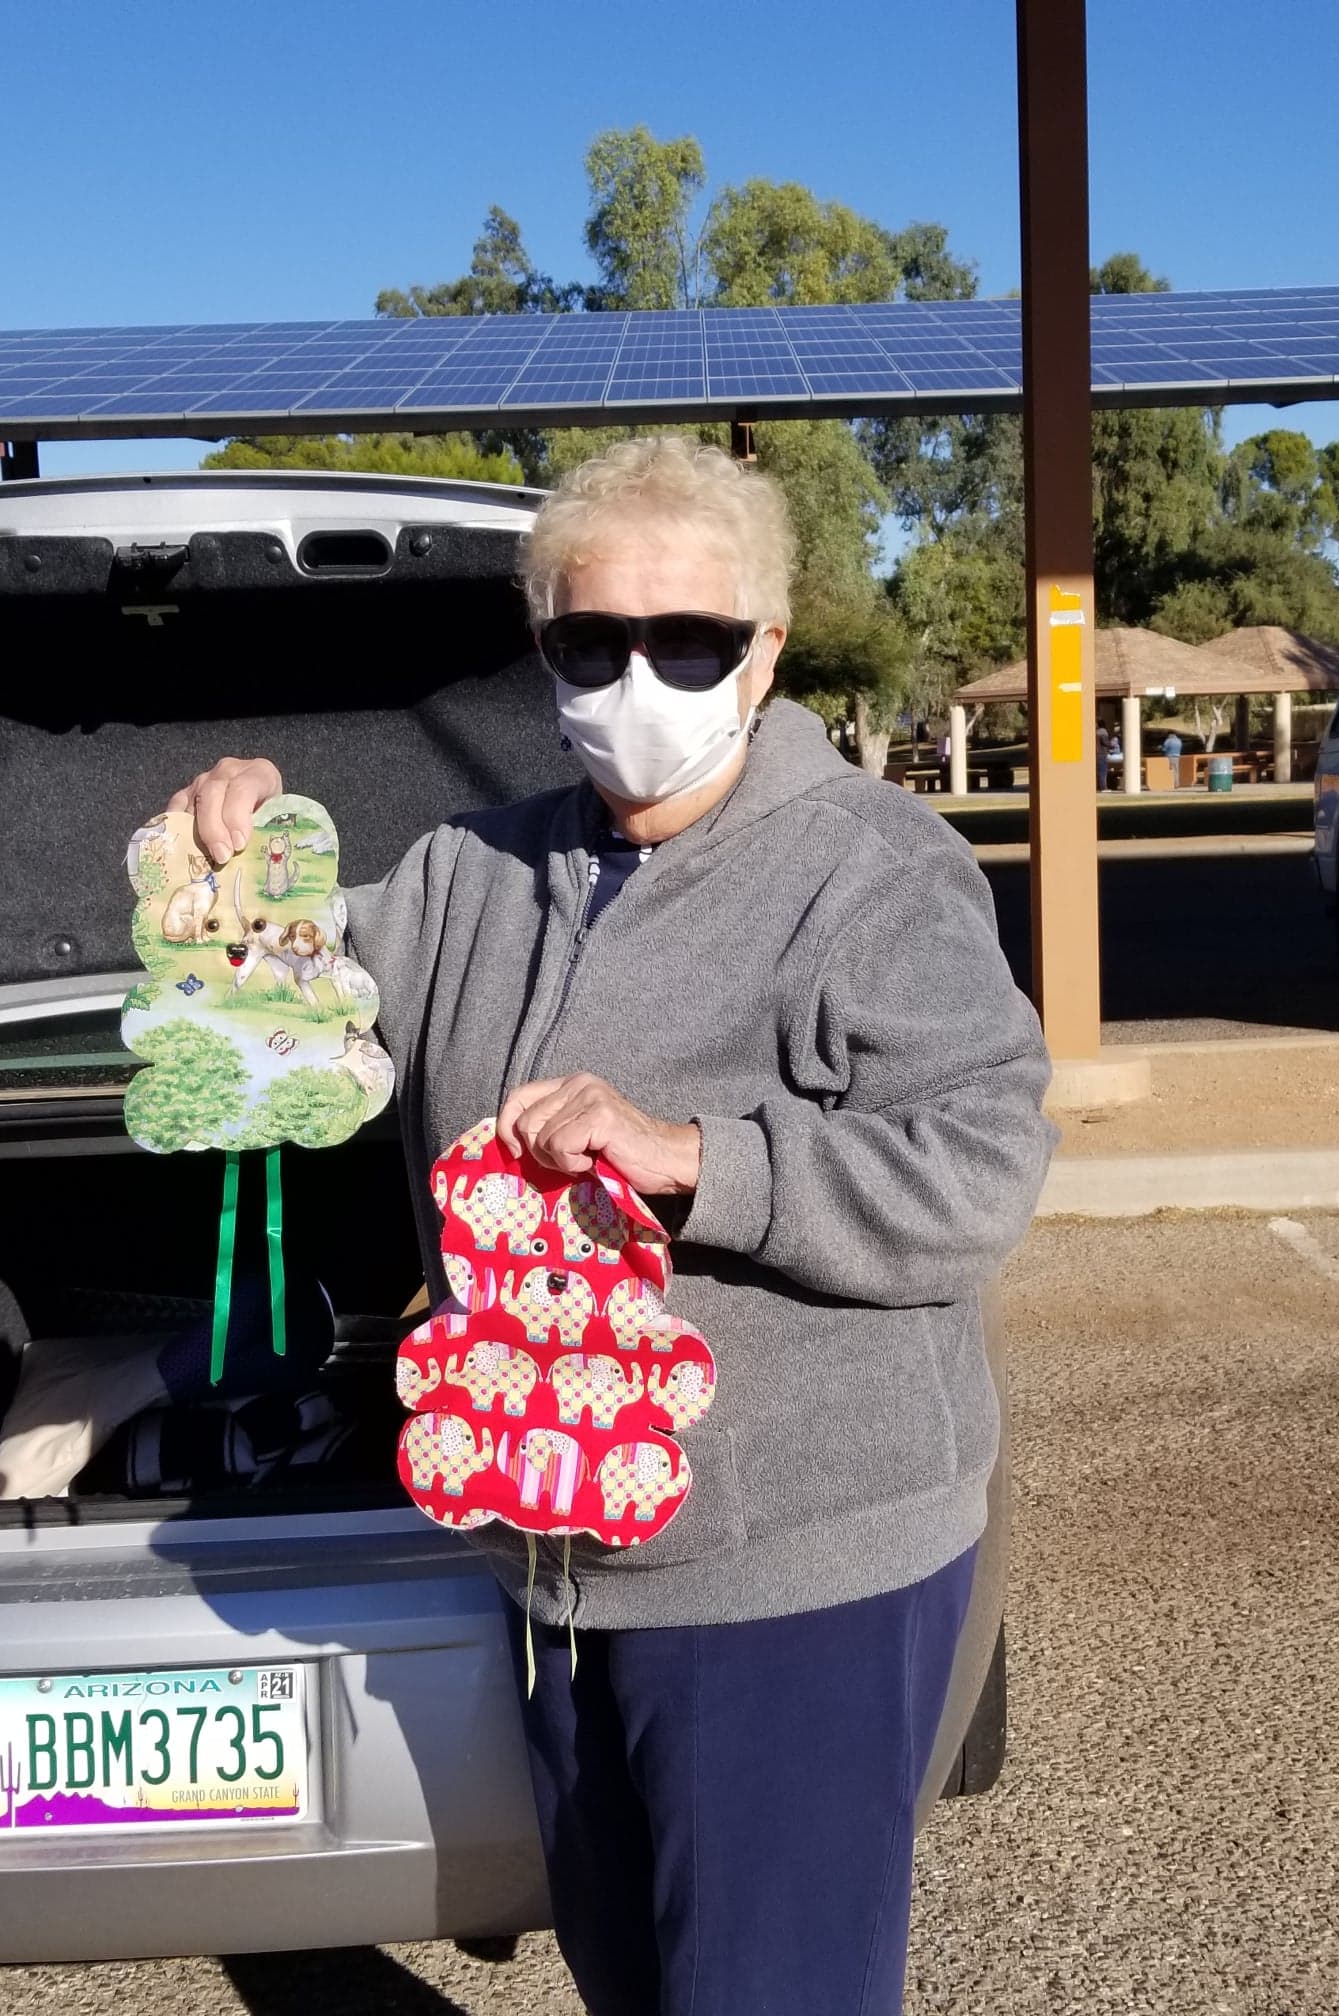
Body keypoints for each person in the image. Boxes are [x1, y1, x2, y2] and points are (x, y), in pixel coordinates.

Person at [168, 436, 1056, 2016]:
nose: (638, 679)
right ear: (544, 649)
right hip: (553, 1561)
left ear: (765, 650)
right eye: (592, 641)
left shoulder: (874, 872)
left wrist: (698, 1158)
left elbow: (980, 1166)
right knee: (631, 1982)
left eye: (688, 640)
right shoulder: (468, 873)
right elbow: (291, 1000)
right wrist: (239, 846)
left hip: (793, 1571)